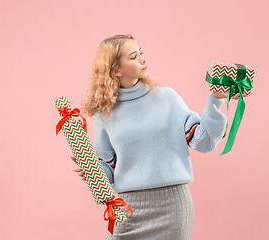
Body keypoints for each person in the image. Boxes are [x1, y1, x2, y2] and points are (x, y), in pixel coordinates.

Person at [72, 34, 242, 240]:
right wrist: (91, 170)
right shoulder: (103, 114)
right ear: (116, 70)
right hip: (127, 209)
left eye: (141, 53)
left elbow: (203, 141)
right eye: (134, 56)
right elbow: (108, 168)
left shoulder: (167, 98)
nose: (143, 59)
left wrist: (215, 101)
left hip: (172, 207)